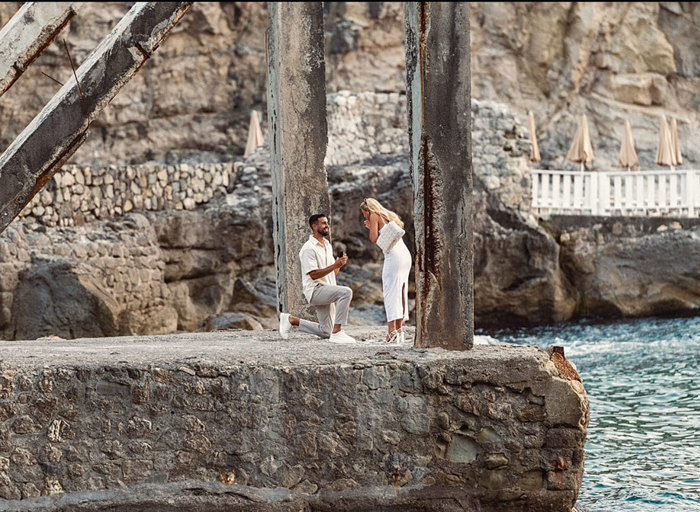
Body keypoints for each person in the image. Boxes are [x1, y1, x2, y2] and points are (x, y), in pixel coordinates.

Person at [278, 214, 357, 344]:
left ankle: (291, 320)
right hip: (316, 290)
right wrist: (334, 265)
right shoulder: (308, 248)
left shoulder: (327, 245)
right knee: (346, 292)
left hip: (326, 289)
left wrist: (339, 265)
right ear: (314, 226)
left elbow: (332, 273)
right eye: (324, 223)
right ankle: (338, 331)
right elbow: (313, 274)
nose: (327, 226)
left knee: (326, 332)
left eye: (327, 223)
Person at [360, 198, 411, 344]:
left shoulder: (374, 216)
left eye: (364, 213)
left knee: (390, 292)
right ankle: (399, 330)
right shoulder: (388, 216)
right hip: (404, 255)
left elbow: (374, 239)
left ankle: (391, 332)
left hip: (394, 256)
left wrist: (370, 226)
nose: (364, 216)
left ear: (368, 210)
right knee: (401, 291)